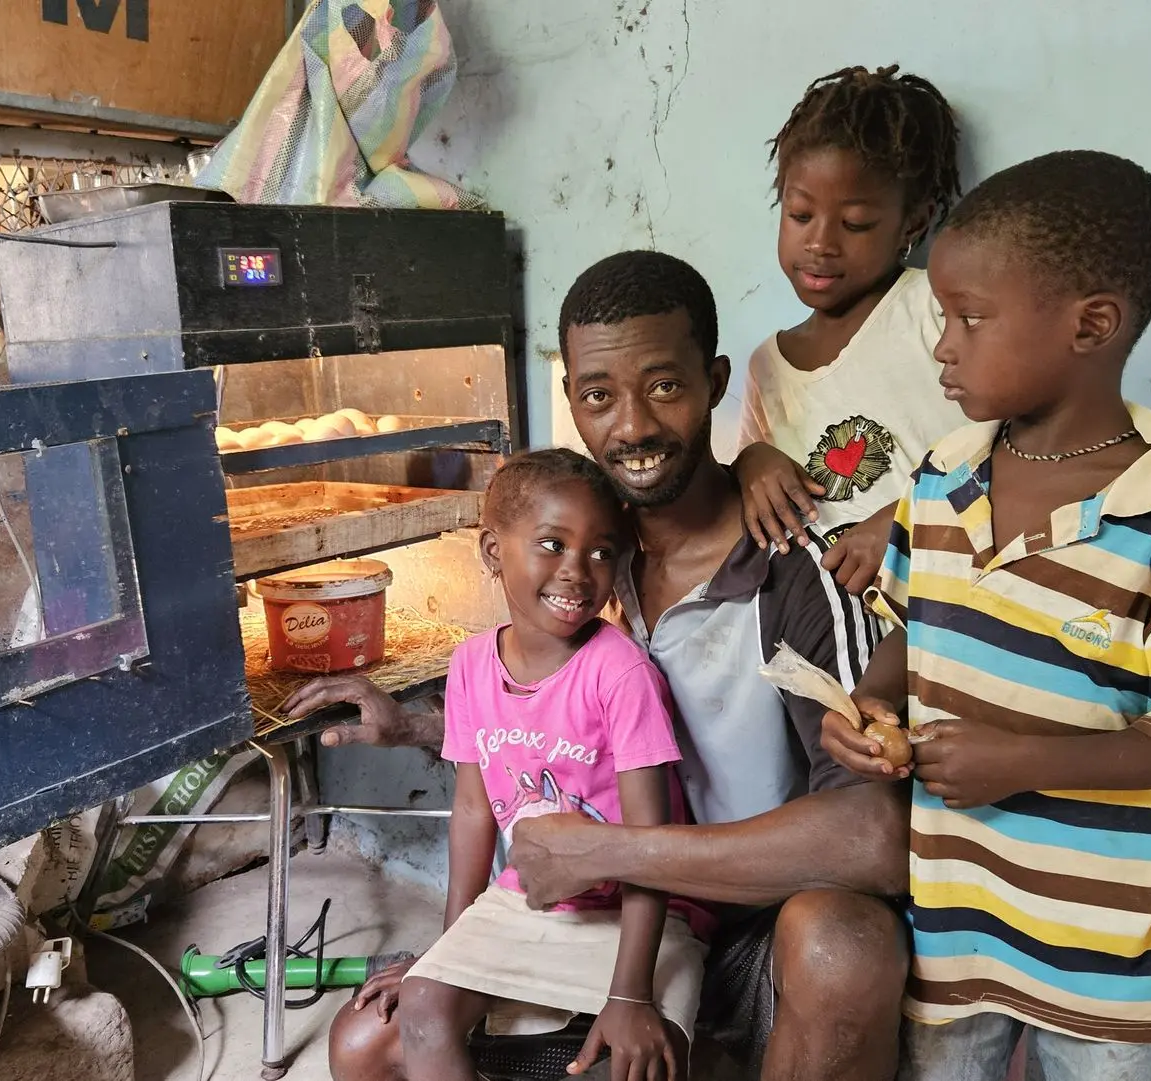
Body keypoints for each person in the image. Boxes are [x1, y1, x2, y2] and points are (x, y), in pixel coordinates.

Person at [289, 250, 912, 1081]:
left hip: (749, 930)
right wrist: (418, 727)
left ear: (715, 382)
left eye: (665, 386)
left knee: (844, 945)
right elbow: (569, 730)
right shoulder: (589, 553)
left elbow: (876, 834)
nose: (633, 427)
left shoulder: (794, 572)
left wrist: (612, 852)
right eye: (598, 396)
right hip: (601, 914)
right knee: (371, 1040)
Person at [820, 150, 1151, 1081]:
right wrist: (868, 702)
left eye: (971, 318)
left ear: (1091, 325)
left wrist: (1024, 760)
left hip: (1104, 944)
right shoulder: (942, 479)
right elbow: (919, 626)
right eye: (944, 317)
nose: (944, 347)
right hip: (958, 923)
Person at [395, 447, 707, 1081]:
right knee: (421, 1007)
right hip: (527, 901)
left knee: (627, 1065)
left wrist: (630, 995)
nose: (577, 572)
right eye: (552, 544)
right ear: (493, 551)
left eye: (601, 552)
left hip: (638, 917)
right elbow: (472, 811)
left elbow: (650, 844)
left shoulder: (620, 673)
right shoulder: (470, 665)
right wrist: (449, 950)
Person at [734, 65, 970, 596]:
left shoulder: (936, 308)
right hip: (832, 622)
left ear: (913, 223)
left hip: (951, 604)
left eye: (855, 224)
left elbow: (1018, 443)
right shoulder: (768, 364)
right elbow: (752, 491)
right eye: (799, 215)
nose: (820, 243)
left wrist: (910, 519)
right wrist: (751, 463)